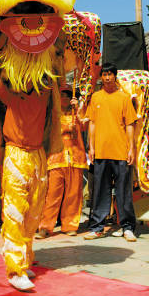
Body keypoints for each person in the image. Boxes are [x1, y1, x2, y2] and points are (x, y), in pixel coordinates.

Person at [0, 72, 52, 292]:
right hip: (16, 153)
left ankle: (23, 261)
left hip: (38, 156)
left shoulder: (45, 93)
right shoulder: (11, 96)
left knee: (32, 215)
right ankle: (14, 269)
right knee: (15, 213)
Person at [83, 63, 137, 241]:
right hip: (101, 152)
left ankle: (127, 227)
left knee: (123, 191)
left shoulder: (124, 98)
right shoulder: (96, 97)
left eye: (110, 74)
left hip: (120, 151)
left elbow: (130, 124)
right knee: (99, 191)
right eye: (104, 74)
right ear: (101, 77)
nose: (107, 77)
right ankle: (97, 227)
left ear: (115, 76)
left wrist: (131, 148)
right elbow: (92, 123)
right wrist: (91, 147)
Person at [38, 87, 88, 237]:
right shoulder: (53, 115)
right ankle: (45, 226)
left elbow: (86, 125)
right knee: (52, 194)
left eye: (67, 96)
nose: (64, 98)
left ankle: (70, 225)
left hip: (75, 158)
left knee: (73, 194)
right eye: (62, 96)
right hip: (56, 158)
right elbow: (48, 132)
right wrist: (66, 128)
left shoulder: (77, 113)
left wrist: (78, 110)